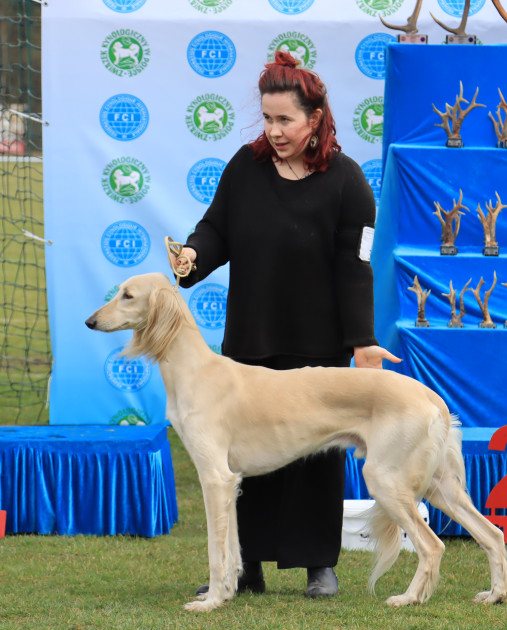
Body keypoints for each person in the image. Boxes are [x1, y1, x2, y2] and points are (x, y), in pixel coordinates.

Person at [170, 51, 399, 599]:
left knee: (315, 459)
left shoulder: (348, 184)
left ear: (314, 119)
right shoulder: (243, 169)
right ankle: (242, 566)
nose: (272, 131)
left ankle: (319, 564)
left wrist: (363, 343)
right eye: (267, 119)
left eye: (284, 121)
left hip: (318, 348)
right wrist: (192, 258)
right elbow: (215, 230)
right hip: (250, 338)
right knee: (244, 457)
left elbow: (355, 268)